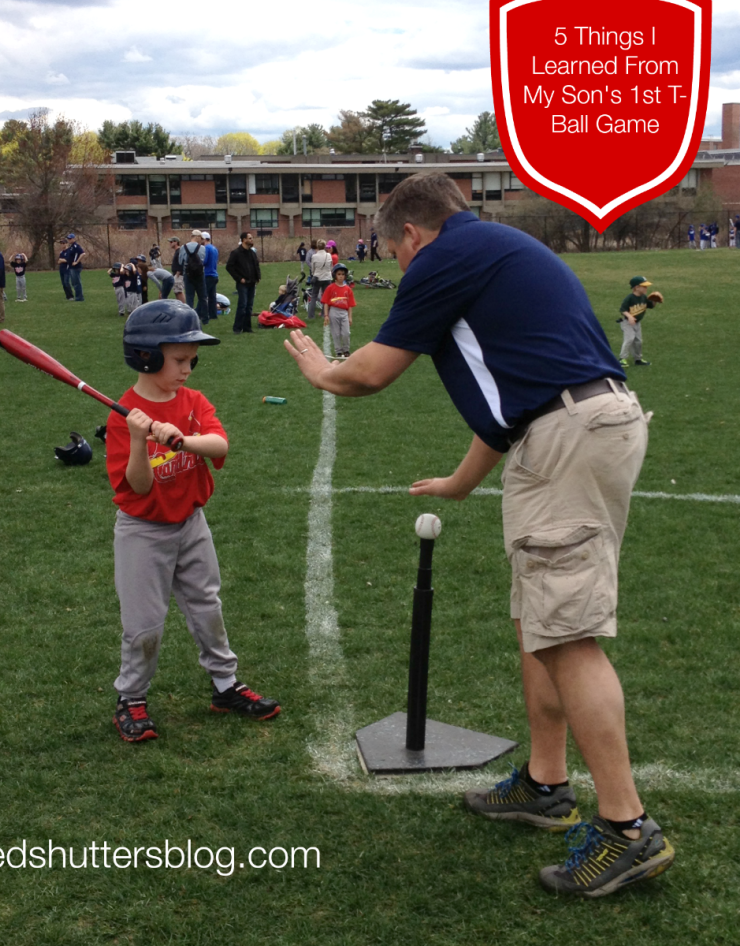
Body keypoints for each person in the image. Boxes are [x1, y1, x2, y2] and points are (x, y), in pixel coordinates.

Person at [283, 173, 674, 898]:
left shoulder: (443, 257)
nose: (400, 266)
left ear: (413, 235)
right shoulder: (495, 249)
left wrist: (320, 369)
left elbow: (368, 375)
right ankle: (546, 782)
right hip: (570, 428)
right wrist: (461, 483)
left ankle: (626, 827)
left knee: (567, 634)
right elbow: (506, 409)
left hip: (569, 436)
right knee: (539, 619)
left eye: (393, 251)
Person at [105, 301, 280, 741]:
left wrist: (181, 440)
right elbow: (139, 487)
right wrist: (142, 440)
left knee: (207, 607)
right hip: (143, 532)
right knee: (144, 625)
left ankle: (225, 686)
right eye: (180, 359)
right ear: (146, 355)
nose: (188, 368)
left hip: (191, 523)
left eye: (191, 360)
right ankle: (131, 698)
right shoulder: (124, 417)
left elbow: (219, 445)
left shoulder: (192, 402)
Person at [618, 276, 663, 368]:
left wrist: (655, 301)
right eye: (644, 286)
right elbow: (623, 310)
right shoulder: (630, 298)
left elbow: (651, 306)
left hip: (637, 323)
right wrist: (630, 317)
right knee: (629, 339)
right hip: (627, 323)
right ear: (636, 287)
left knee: (638, 341)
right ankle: (622, 359)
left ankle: (638, 359)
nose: (646, 288)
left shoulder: (644, 297)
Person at [225, 231, 261, 334]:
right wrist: (239, 278)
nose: (251, 240)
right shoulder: (236, 253)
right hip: (242, 283)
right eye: (249, 238)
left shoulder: (252, 253)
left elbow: (256, 265)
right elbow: (229, 267)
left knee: (249, 306)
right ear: (244, 240)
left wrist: (258, 277)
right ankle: (237, 328)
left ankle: (247, 327)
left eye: (252, 238)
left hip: (252, 282)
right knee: (242, 305)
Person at [321, 263, 356, 358]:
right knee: (336, 333)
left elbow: (350, 305)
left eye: (343, 274)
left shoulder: (348, 289)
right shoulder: (330, 288)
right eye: (339, 274)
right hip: (334, 312)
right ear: (335, 275)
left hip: (344, 313)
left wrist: (350, 317)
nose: (341, 276)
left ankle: (346, 350)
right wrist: (326, 315)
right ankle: (338, 351)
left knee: (346, 333)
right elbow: (326, 302)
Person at [178, 230, 209, 324]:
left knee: (190, 297)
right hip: (199, 275)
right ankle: (205, 319)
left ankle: (190, 318)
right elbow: (203, 261)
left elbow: (180, 261)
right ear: (197, 237)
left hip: (188, 275)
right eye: (201, 238)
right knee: (203, 297)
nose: (201, 240)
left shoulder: (183, 247)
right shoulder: (202, 248)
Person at [308, 239, 332, 320]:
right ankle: (323, 314)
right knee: (326, 297)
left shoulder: (314, 256)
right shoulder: (328, 255)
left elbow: (312, 268)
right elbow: (330, 267)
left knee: (314, 296)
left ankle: (311, 315)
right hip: (327, 277)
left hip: (317, 278)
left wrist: (315, 274)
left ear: (317, 246)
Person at [202, 231, 220, 321]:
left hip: (208, 274)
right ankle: (213, 314)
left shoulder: (206, 248)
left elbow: (205, 261)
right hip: (214, 274)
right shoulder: (214, 248)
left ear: (204, 239)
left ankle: (201, 313)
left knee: (204, 295)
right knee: (212, 296)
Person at [65, 232, 86, 301]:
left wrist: (76, 262)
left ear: (73, 239)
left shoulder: (76, 246)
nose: (69, 240)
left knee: (77, 282)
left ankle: (79, 297)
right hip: (71, 267)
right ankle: (78, 296)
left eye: (70, 239)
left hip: (75, 267)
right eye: (68, 239)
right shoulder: (70, 247)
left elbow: (83, 253)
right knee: (74, 283)